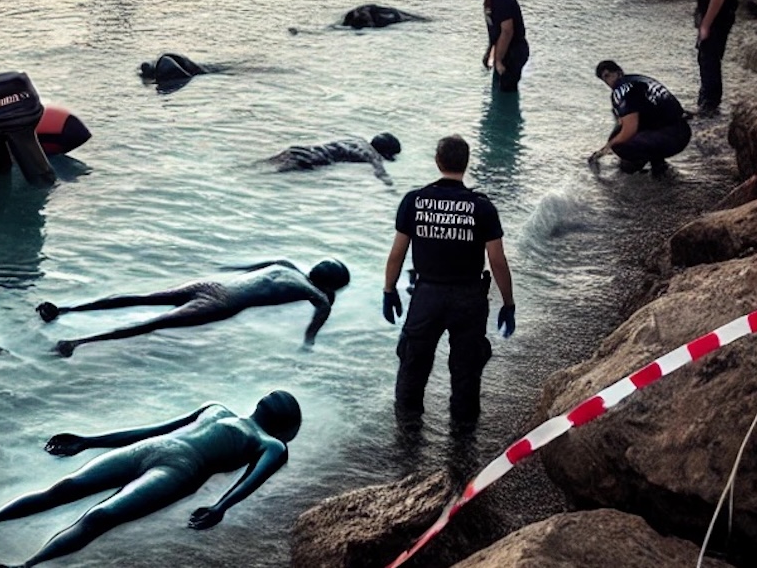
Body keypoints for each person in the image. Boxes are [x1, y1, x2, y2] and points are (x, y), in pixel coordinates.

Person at [0, 391, 302, 567]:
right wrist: (89, 440)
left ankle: (24, 567)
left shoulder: (268, 444)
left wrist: (222, 505)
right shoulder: (218, 408)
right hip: (153, 447)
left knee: (99, 516)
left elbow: (253, 478)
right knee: (63, 489)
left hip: (177, 469)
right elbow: (158, 427)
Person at [383, 135, 516, 431]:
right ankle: (463, 448)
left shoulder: (414, 201)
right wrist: (508, 303)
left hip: (427, 295)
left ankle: (406, 446)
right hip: (469, 299)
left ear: (437, 161)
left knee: (412, 369)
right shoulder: (481, 207)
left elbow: (397, 254)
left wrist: (389, 290)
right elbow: (497, 261)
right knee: (466, 374)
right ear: (466, 163)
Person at [38, 259, 350, 356]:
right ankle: (77, 342)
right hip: (223, 302)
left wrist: (222, 266)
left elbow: (245, 268)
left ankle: (66, 309)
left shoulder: (287, 265)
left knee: (144, 298)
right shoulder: (317, 295)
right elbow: (318, 318)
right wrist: (307, 345)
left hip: (212, 285)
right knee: (154, 322)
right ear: (331, 284)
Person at [587, 61, 691, 176]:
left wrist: (604, 150)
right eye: (604, 79)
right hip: (683, 131)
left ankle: (644, 166)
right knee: (624, 132)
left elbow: (629, 131)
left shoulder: (621, 90)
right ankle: (658, 164)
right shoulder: (639, 79)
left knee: (618, 144)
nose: (608, 82)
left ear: (619, 72)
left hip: (671, 138)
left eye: (608, 75)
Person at [682, 0, 738, 117]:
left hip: (718, 18)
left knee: (710, 59)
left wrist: (706, 24)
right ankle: (705, 100)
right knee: (704, 57)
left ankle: (710, 105)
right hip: (712, 16)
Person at [464, 0, 529, 93]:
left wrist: (498, 60)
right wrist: (489, 53)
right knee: (497, 90)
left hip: (514, 52)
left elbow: (507, 31)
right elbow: (495, 32)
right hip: (503, 52)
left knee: (506, 91)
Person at [267, 133, 401, 184]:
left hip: (300, 151)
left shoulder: (358, 141)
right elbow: (382, 175)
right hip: (310, 160)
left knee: (255, 169)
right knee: (266, 177)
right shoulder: (372, 155)